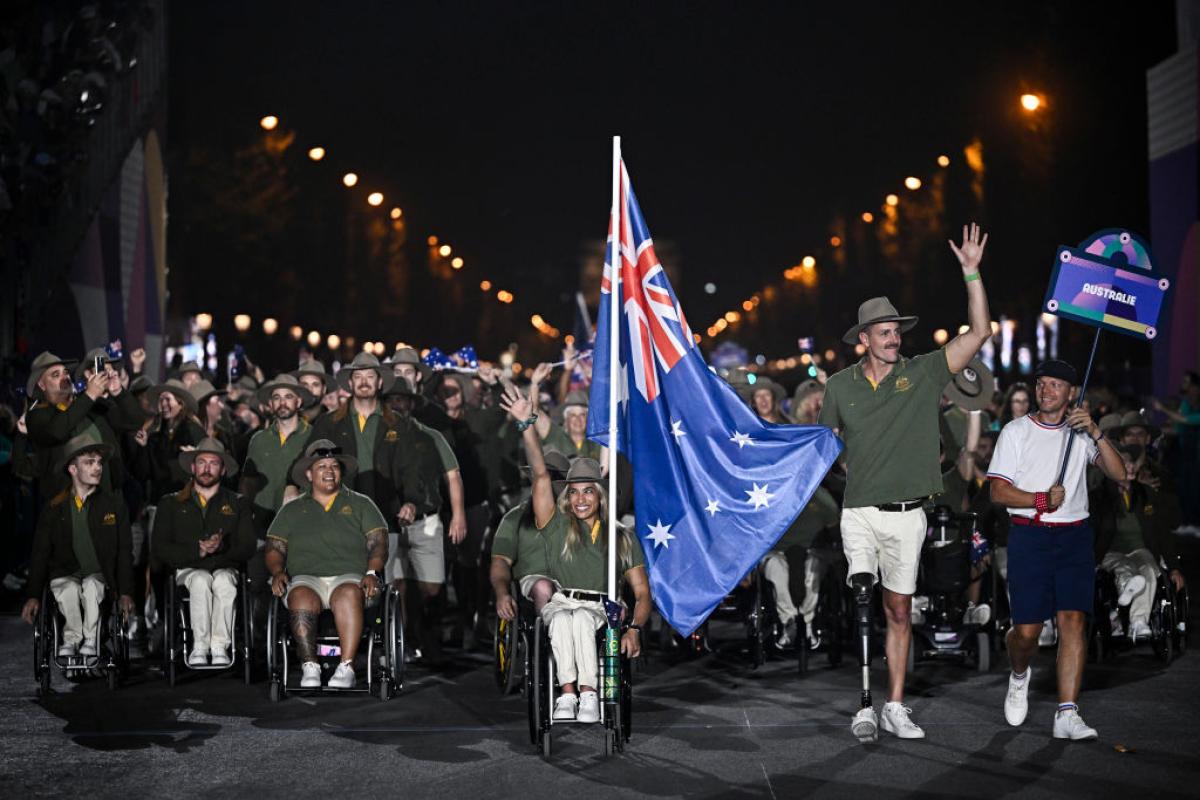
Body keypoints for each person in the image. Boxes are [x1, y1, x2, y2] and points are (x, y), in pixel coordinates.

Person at [818, 223, 993, 742]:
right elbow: (822, 446)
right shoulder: (838, 387)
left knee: (898, 609)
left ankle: (895, 705)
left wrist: (971, 271)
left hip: (908, 516)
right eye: (886, 332)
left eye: (898, 331)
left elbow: (979, 331)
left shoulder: (922, 373)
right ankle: (865, 705)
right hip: (858, 512)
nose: (895, 338)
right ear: (864, 340)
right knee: (865, 593)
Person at [987, 359, 1125, 741]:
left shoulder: (1081, 435)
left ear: (1070, 394)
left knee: (1072, 622)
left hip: (1074, 536)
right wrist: (1040, 499)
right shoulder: (1016, 432)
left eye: (1055, 385)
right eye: (1041, 384)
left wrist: (1096, 431)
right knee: (1027, 633)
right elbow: (997, 491)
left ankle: (1067, 712)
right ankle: (1019, 674)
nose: (1045, 391)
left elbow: (1119, 474)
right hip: (1029, 536)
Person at [501, 384, 651, 724]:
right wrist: (527, 426)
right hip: (562, 601)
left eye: (589, 492)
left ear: (600, 496)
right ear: (566, 497)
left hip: (602, 607)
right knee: (564, 617)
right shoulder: (556, 526)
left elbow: (642, 593)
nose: (581, 499)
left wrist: (635, 629)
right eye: (574, 492)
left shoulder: (622, 538)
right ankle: (567, 694)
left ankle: (587, 693)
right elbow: (540, 474)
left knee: (581, 619)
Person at [265, 440, 388, 689]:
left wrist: (372, 571)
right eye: (322, 466)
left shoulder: (361, 503)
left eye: (334, 466)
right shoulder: (293, 509)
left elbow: (378, 544)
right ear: (309, 474)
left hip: (350, 576)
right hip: (306, 576)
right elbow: (274, 548)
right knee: (299, 596)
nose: (329, 471)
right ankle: (310, 665)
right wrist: (277, 572)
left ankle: (347, 666)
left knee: (347, 594)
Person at [21, 433, 135, 656]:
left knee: (92, 586)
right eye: (89, 462)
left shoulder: (113, 504)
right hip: (65, 573)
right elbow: (40, 553)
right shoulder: (54, 508)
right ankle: (71, 639)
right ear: (72, 469)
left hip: (100, 575)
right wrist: (33, 595)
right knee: (68, 589)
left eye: (99, 462)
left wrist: (126, 592)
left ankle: (91, 641)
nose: (97, 468)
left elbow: (124, 551)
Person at [151, 438, 256, 665]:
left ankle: (220, 646)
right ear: (192, 467)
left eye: (213, 463)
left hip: (224, 567)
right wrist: (196, 550)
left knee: (224, 582)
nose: (207, 469)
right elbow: (160, 547)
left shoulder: (238, 503)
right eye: (201, 462)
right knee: (199, 580)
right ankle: (199, 646)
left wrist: (222, 547)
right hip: (188, 568)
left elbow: (247, 546)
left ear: (223, 469)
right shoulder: (170, 503)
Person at [1092, 443, 1184, 641]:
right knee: (1123, 567)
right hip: (1110, 551)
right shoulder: (1099, 496)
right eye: (1124, 463)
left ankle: (1138, 621)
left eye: (1132, 463)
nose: (1131, 466)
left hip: (1139, 549)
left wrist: (1174, 567)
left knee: (1150, 569)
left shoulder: (1146, 494)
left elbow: (1163, 532)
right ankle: (1126, 587)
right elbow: (1091, 531)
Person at [24, 349, 145, 498]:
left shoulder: (92, 405)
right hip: (68, 504)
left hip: (107, 499)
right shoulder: (37, 415)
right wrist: (90, 395)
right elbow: (56, 432)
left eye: (66, 372)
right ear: (42, 385)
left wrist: (118, 391)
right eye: (56, 375)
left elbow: (135, 422)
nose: (65, 377)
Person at [490, 449, 573, 620]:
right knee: (543, 586)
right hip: (535, 580)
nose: (545, 484)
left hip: (574, 579)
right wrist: (502, 593)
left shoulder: (579, 517)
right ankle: (552, 639)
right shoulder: (514, 518)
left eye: (552, 478)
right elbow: (500, 561)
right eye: (541, 477)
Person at [241, 374, 314, 532]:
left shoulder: (313, 437)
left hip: (301, 527)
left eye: (288, 397)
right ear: (270, 404)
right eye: (276, 398)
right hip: (262, 527)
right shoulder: (258, 440)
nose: (282, 403)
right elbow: (248, 482)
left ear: (299, 401)